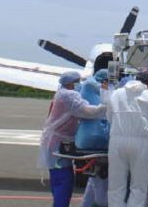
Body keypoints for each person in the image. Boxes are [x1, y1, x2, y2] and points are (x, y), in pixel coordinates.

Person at [39, 70, 107, 207]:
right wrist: (106, 106)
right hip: (57, 143)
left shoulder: (63, 93)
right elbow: (86, 111)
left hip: (57, 141)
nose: (79, 84)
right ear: (70, 83)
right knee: (63, 180)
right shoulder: (69, 96)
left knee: (60, 180)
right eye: (77, 82)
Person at [108, 69, 148, 207]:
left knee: (116, 185)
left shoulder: (116, 94)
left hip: (117, 140)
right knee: (138, 186)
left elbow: (109, 118)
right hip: (141, 142)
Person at [81, 69, 112, 207]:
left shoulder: (86, 87)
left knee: (94, 179)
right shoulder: (100, 91)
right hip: (100, 141)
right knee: (101, 179)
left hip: (87, 140)